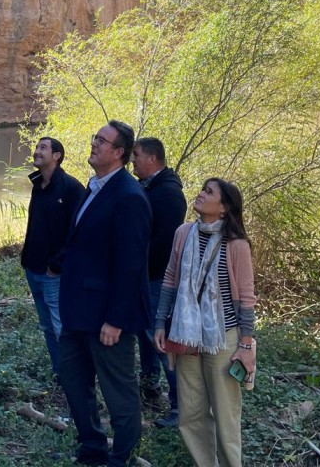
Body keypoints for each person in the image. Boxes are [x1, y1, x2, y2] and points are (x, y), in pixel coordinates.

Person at [57, 120, 151, 467]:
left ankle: (122, 457)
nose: (94, 144)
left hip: (107, 318)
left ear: (119, 153)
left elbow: (131, 265)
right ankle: (92, 448)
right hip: (77, 311)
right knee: (72, 379)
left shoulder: (129, 196)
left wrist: (115, 319)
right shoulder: (93, 186)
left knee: (118, 391)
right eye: (94, 137)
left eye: (102, 140)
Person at [154, 178, 257, 467]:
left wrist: (246, 344)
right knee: (191, 412)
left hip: (223, 337)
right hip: (186, 335)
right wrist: (161, 322)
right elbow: (171, 278)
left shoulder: (236, 244)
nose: (200, 194)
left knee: (225, 413)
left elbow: (246, 297)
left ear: (224, 208)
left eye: (209, 192)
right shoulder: (183, 233)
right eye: (202, 189)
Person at [132, 137, 187, 427]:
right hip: (145, 278)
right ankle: (150, 386)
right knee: (145, 335)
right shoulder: (150, 187)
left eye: (137, 156)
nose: (133, 162)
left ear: (152, 159)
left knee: (162, 341)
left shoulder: (168, 193)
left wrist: (140, 265)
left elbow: (165, 243)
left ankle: (180, 407)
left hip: (158, 279)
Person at [21, 136, 85, 378]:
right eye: (37, 147)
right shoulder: (38, 184)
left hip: (54, 274)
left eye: (43, 148)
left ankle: (76, 379)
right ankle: (61, 375)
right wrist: (26, 259)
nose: (37, 151)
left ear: (57, 156)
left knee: (61, 328)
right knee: (47, 326)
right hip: (33, 268)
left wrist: (56, 266)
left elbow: (77, 233)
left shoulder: (71, 188)